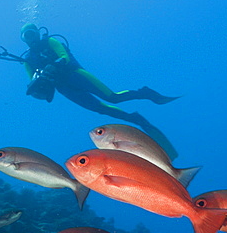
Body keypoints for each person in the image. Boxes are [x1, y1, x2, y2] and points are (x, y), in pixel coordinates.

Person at [20, 23, 179, 159]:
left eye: (32, 34)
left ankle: (145, 93)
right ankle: (136, 120)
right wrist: (38, 89)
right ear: (24, 39)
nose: (31, 39)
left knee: (113, 98)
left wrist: (54, 65)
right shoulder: (27, 59)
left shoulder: (50, 41)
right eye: (27, 37)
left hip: (77, 75)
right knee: (100, 109)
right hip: (65, 89)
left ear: (38, 33)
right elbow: (32, 82)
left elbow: (64, 56)